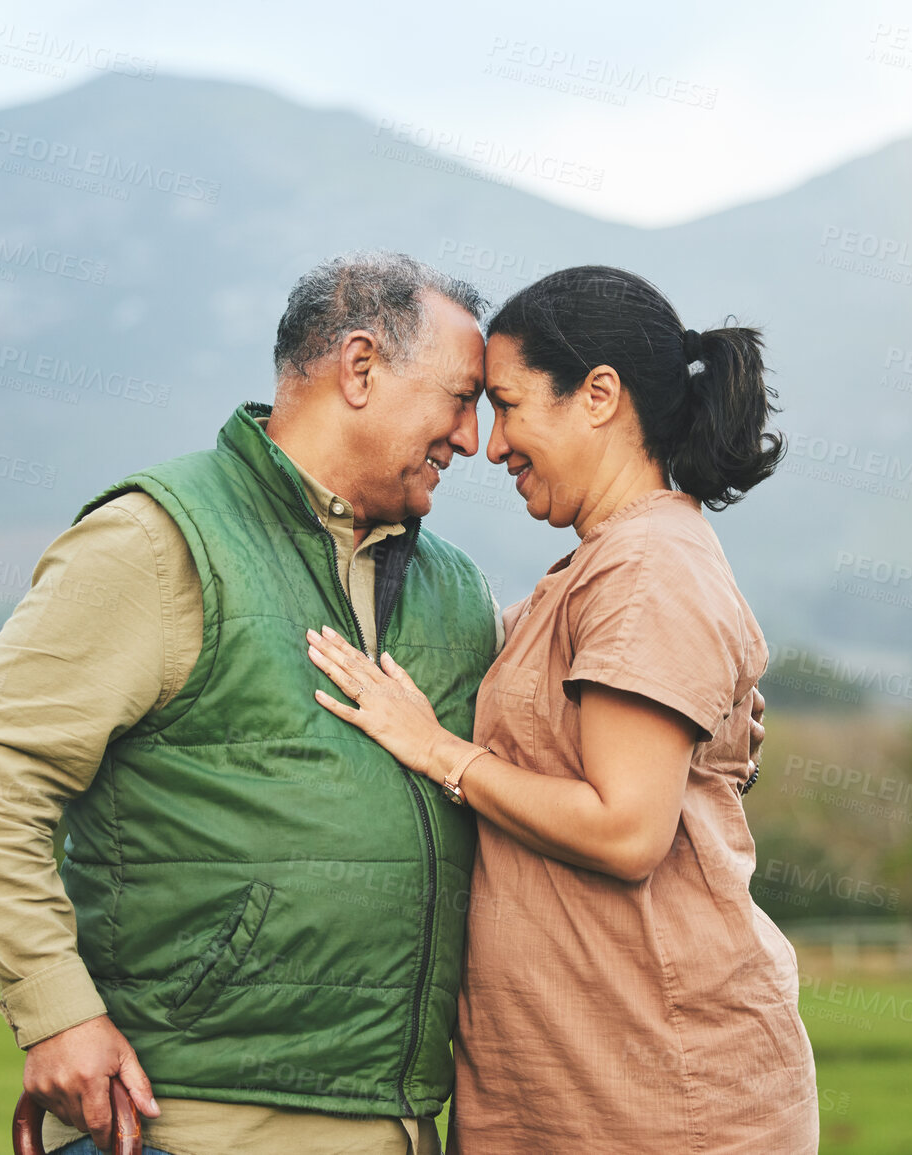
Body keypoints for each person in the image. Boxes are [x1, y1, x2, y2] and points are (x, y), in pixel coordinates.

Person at [0, 252, 504, 1155]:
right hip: (192, 1126)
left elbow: (536, 768)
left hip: (407, 1128)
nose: (471, 439)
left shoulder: (458, 589)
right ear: (359, 369)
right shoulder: (155, 540)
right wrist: (54, 1012)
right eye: (460, 398)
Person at [305, 265, 818, 1152]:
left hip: (657, 1095)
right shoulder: (596, 568)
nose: (492, 444)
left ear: (598, 396)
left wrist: (439, 753)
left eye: (506, 404)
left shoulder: (646, 568)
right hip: (583, 1082)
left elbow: (625, 831)